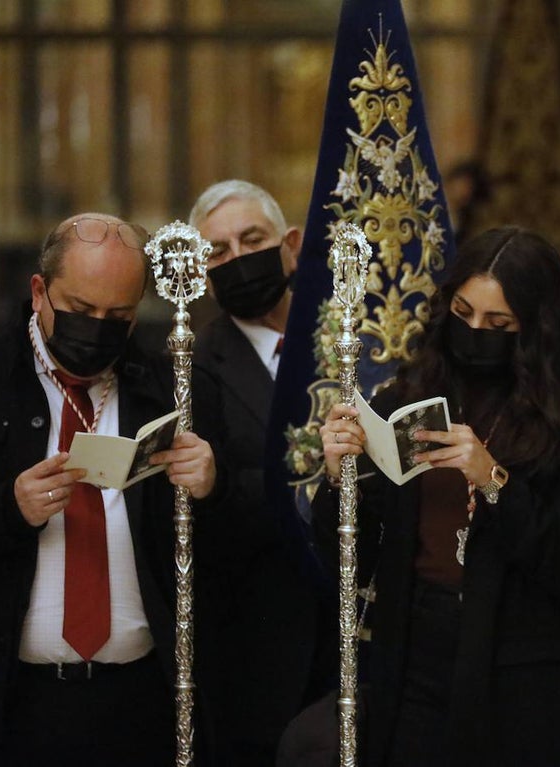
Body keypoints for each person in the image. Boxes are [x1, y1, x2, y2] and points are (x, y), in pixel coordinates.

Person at [313, 226, 560, 766]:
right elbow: (351, 558)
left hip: (519, 669)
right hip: (413, 653)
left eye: (499, 323)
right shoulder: (408, 395)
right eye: (463, 312)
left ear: (536, 327)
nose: (476, 331)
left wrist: (493, 479)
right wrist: (341, 479)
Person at [0, 213, 221, 766]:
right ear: (38, 291)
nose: (97, 328)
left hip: (143, 700)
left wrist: (213, 485)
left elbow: (225, 556)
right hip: (10, 706)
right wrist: (7, 510)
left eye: (118, 316)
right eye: (81, 309)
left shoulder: (176, 392)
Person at [188, 179, 330, 766]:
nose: (239, 259)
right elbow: (207, 506)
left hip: (363, 632)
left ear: (290, 245)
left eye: (252, 240)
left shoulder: (349, 341)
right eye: (218, 251)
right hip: (259, 654)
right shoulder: (192, 366)